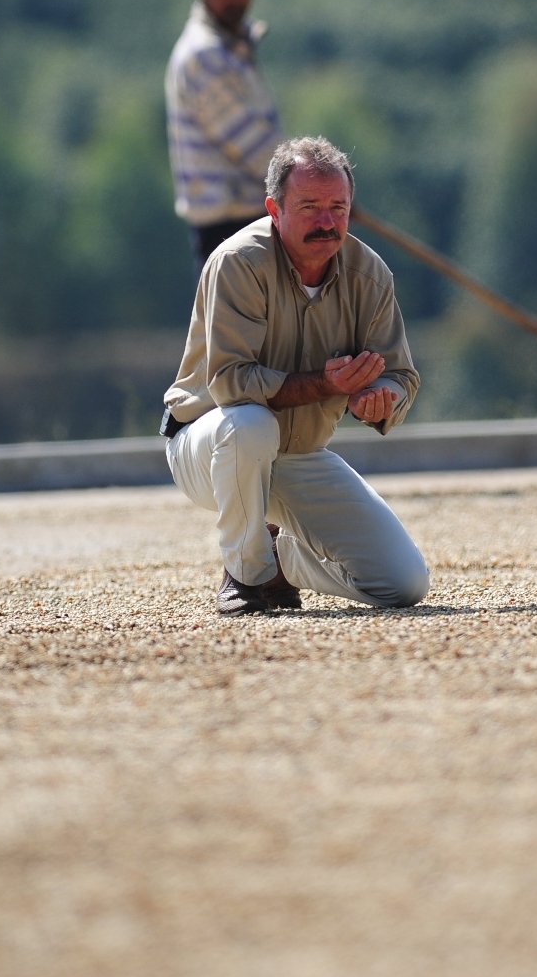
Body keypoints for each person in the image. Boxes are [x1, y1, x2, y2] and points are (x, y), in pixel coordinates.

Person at [161, 134, 431, 616]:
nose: (327, 222)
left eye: (338, 207)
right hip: (209, 447)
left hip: (299, 452)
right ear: (273, 208)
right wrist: (328, 386)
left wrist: (380, 398)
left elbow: (400, 375)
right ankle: (245, 576)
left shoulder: (370, 275)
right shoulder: (238, 262)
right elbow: (230, 384)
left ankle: (282, 563)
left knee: (404, 584)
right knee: (250, 424)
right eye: (309, 207)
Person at [165, 0, 282, 275]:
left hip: (246, 209)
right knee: (233, 323)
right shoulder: (203, 56)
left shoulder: (232, 48)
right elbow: (248, 142)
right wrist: (309, 187)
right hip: (226, 216)